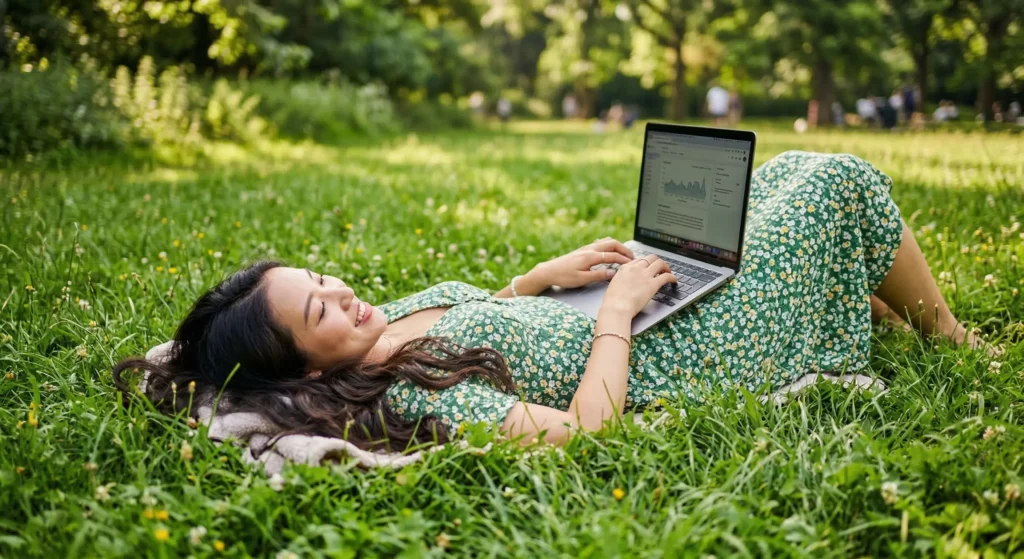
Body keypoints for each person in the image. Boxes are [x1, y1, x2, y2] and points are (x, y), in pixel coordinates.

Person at [113, 152, 996, 450]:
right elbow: (581, 430)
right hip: (684, 350)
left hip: (627, 312)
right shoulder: (405, 392)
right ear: (308, 366)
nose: (343, 293)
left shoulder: (382, 321)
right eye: (322, 311)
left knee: (777, 176)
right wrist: (613, 314)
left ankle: (866, 297)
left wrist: (540, 278)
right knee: (833, 181)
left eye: (320, 279)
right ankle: (947, 335)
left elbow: (487, 310)